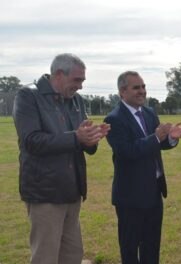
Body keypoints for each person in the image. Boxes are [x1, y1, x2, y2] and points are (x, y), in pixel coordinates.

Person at [12, 53, 109, 264]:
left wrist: (91, 139)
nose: (81, 86)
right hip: (45, 192)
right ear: (58, 74)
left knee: (73, 254)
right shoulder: (28, 97)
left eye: (82, 80)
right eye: (77, 80)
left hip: (72, 190)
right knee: (46, 256)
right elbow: (32, 141)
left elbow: (81, 140)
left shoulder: (76, 101)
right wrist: (77, 137)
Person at [104, 70, 181, 264]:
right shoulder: (114, 119)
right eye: (136, 88)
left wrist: (171, 138)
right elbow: (127, 152)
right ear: (122, 92)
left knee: (152, 247)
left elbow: (157, 144)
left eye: (143, 87)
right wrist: (157, 137)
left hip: (153, 191)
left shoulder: (149, 113)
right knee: (130, 249)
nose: (142, 91)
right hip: (130, 197)